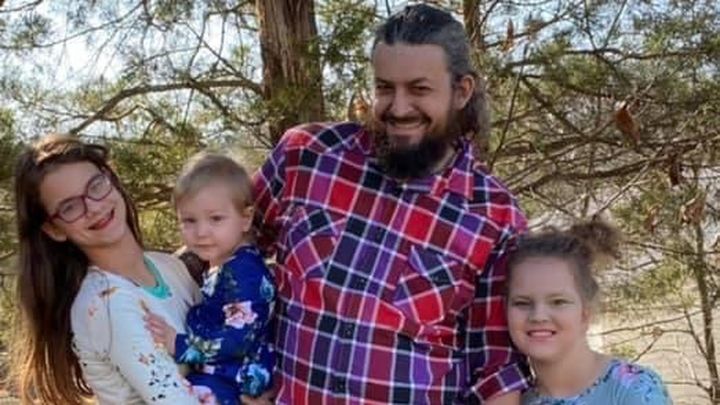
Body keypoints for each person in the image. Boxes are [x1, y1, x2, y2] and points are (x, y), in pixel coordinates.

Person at [253, 4, 529, 403]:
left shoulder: (496, 217)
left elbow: (497, 373)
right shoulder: (307, 155)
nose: (398, 109)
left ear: (462, 91)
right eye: (385, 88)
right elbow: (221, 245)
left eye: (419, 89)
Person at [11, 134, 201, 404]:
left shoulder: (169, 266)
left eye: (95, 185)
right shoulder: (106, 304)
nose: (93, 207)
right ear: (54, 229)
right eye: (70, 207)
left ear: (111, 179)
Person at [145, 152, 276, 404]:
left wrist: (180, 345)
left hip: (234, 383)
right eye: (189, 220)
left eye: (216, 218)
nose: (201, 232)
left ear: (245, 218)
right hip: (222, 378)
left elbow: (238, 339)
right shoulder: (224, 265)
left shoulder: (243, 271)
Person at [505, 219, 671, 404]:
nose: (538, 316)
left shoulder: (633, 389)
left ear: (586, 312)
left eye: (558, 302)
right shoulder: (510, 400)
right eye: (522, 303)